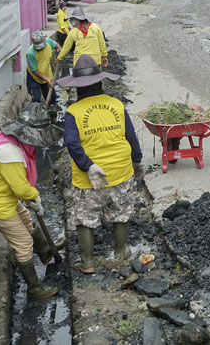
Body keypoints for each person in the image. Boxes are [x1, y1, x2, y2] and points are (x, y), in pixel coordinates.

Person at [57, 55, 142, 273]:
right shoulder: (116, 105)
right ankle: (121, 252)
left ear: (77, 87)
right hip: (121, 172)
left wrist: (88, 165)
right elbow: (131, 138)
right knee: (121, 212)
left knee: (85, 218)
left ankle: (87, 263)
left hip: (90, 179)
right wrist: (137, 161)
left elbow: (71, 143)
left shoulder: (73, 112)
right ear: (100, 81)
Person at [0, 102, 64, 298]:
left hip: (2, 195)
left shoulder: (13, 144)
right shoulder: (10, 154)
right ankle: (34, 288)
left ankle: (45, 250)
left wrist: (32, 200)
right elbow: (20, 187)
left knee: (25, 217)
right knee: (23, 243)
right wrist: (36, 198)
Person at [26, 31, 59, 105]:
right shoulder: (30, 54)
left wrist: (59, 54)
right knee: (36, 99)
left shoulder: (48, 42)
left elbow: (56, 46)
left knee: (52, 98)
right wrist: (47, 80)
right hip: (34, 77)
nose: (40, 49)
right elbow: (34, 70)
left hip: (47, 73)